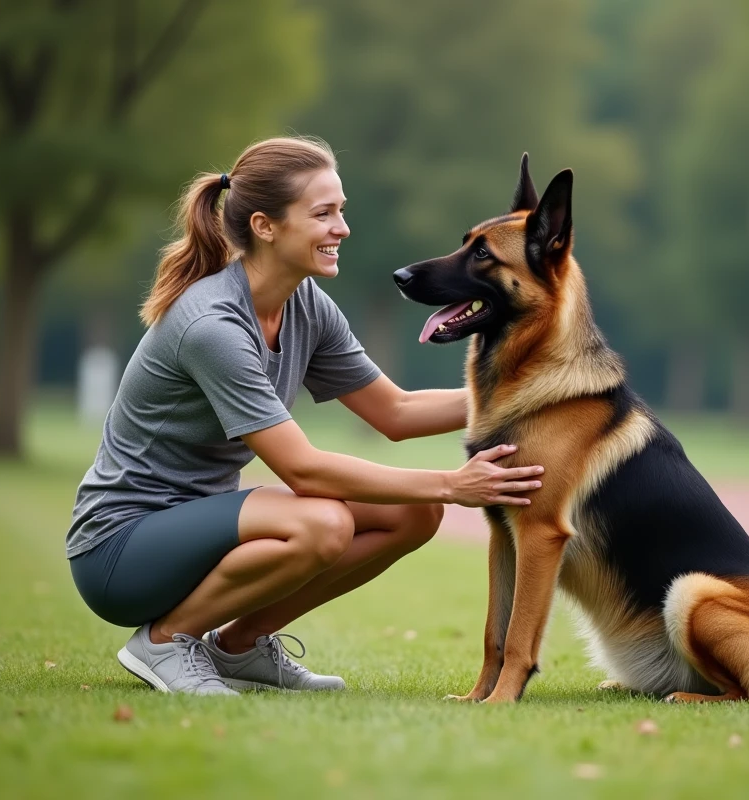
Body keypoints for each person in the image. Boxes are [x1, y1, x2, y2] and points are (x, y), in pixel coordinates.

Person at [66, 136, 544, 696]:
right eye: (323, 214)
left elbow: (394, 411)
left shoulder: (305, 304)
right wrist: (451, 483)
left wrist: (537, 393)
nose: (341, 227)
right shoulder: (213, 326)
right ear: (266, 227)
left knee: (415, 516)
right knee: (323, 523)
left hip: (203, 528)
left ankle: (238, 648)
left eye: (341, 211)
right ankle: (166, 642)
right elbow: (305, 472)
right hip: (119, 551)